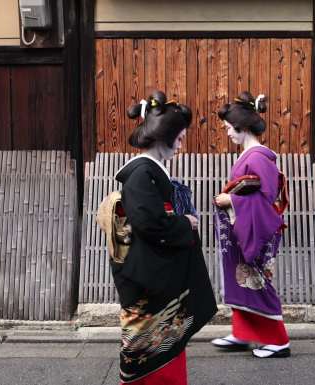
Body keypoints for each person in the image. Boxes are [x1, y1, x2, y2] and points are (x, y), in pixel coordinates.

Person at [113, 91, 217, 384]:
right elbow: (150, 224)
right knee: (154, 357)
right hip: (149, 281)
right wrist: (185, 223)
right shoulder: (141, 175)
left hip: (155, 275)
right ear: (164, 135)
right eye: (180, 138)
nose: (182, 144)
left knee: (166, 350)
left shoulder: (149, 173)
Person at [211, 91, 290, 358]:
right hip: (243, 227)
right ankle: (243, 333)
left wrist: (231, 200)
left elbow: (264, 198)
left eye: (229, 129)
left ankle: (279, 341)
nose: (228, 134)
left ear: (243, 128)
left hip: (255, 227)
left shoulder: (256, 158)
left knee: (257, 281)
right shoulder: (251, 155)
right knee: (241, 280)